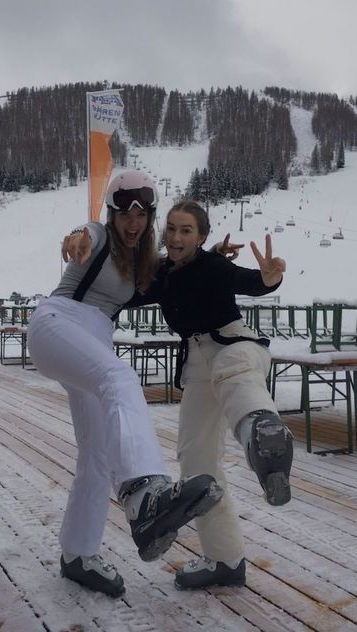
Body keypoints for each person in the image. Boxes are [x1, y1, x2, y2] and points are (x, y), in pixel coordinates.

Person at [27, 172, 224, 598]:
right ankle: (145, 491)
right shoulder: (99, 238)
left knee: (97, 454)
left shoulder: (144, 263)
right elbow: (86, 234)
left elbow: (183, 270)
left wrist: (214, 259)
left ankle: (78, 555)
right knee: (120, 377)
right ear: (112, 215)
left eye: (141, 214)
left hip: (93, 340)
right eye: (124, 214)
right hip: (59, 322)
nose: (132, 222)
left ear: (149, 217)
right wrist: (76, 237)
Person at [128, 199, 293, 590]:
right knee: (196, 461)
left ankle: (262, 435)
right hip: (197, 365)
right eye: (171, 228)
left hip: (234, 345)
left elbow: (247, 281)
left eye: (186, 230)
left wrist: (269, 279)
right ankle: (224, 560)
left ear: (201, 237)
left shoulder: (213, 266)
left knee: (235, 377)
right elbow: (125, 294)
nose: (176, 236)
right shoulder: (161, 275)